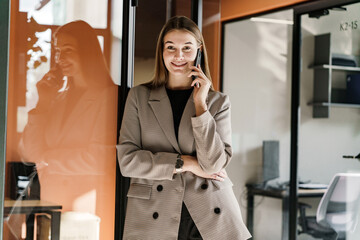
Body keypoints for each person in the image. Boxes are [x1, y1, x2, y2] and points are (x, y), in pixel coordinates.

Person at [117, 16, 251, 240]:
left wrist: (201, 104)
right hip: (154, 212)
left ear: (198, 50)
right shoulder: (139, 97)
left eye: (187, 48)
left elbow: (212, 165)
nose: (178, 56)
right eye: (171, 47)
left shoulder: (217, 102)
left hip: (209, 214)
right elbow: (128, 161)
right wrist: (185, 163)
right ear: (162, 51)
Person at [20, 20, 118, 239]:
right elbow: (29, 154)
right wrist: (43, 104)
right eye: (57, 51)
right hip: (49, 207)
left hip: (85, 210)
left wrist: (50, 159)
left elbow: (101, 158)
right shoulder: (57, 99)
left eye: (68, 50)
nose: (60, 58)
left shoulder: (109, 97)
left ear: (87, 52)